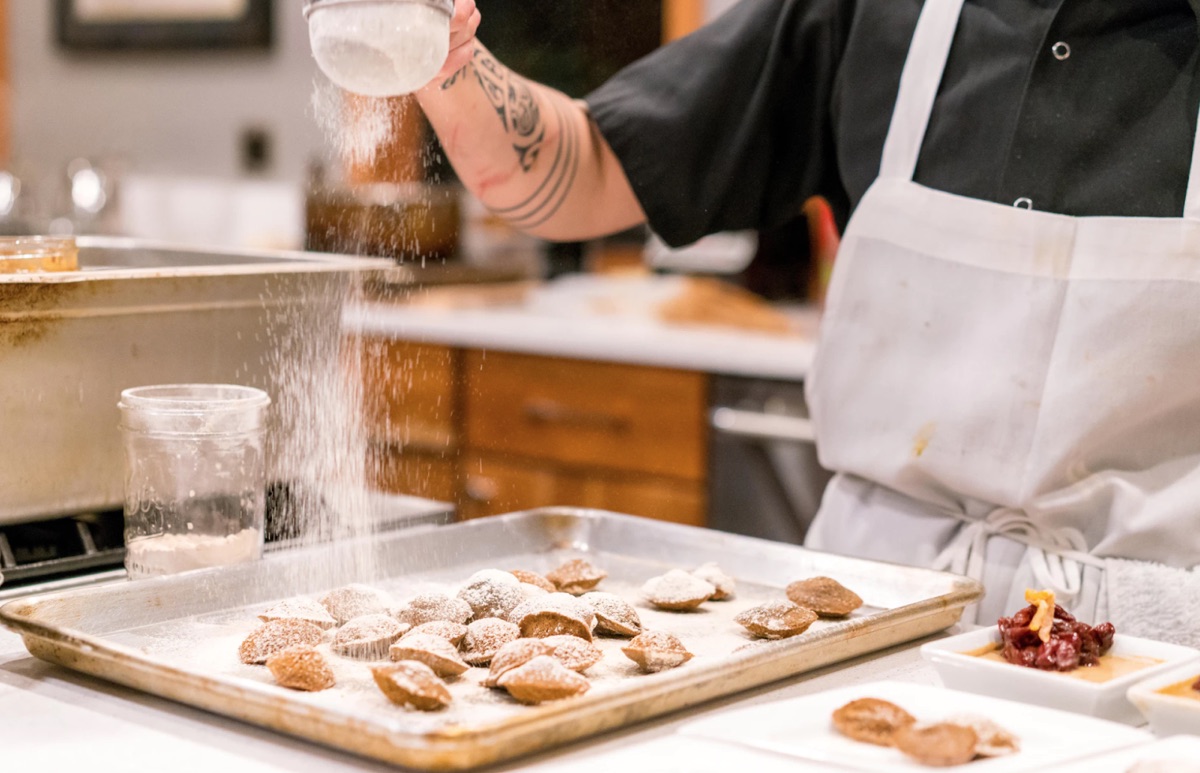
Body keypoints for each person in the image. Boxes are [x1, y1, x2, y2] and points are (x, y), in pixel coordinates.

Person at [414, 0, 1200, 643]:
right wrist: (439, 50)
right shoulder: (869, 14)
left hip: (1155, 661)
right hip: (868, 620)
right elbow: (575, 166)